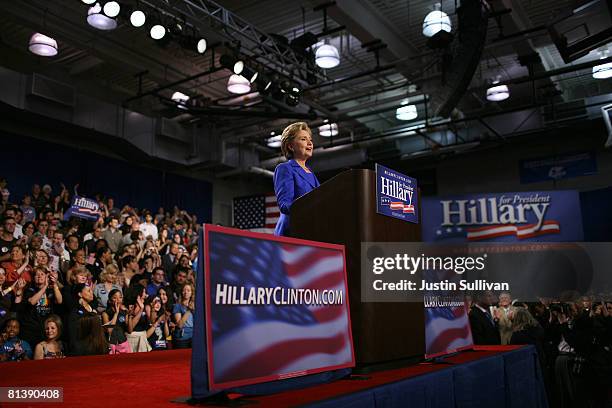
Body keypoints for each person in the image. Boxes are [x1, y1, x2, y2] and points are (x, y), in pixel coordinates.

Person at [273, 122, 319, 236]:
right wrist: (309, 210)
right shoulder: (285, 169)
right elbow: (284, 204)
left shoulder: (311, 173)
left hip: (311, 231)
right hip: (291, 232)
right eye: (303, 139)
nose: (310, 143)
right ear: (291, 146)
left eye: (310, 140)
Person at [102, 289, 131, 354]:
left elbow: (130, 330)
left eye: (120, 297)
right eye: (115, 297)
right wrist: (116, 313)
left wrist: (130, 315)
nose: (118, 300)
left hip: (123, 343)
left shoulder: (124, 312)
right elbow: (109, 330)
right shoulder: (105, 313)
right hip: (112, 344)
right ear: (110, 301)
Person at [173, 283, 194, 349]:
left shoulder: (195, 305)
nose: (186, 292)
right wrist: (188, 310)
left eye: (188, 290)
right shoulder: (177, 306)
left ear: (191, 293)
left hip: (193, 337)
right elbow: (179, 325)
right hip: (182, 338)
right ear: (181, 292)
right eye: (184, 290)